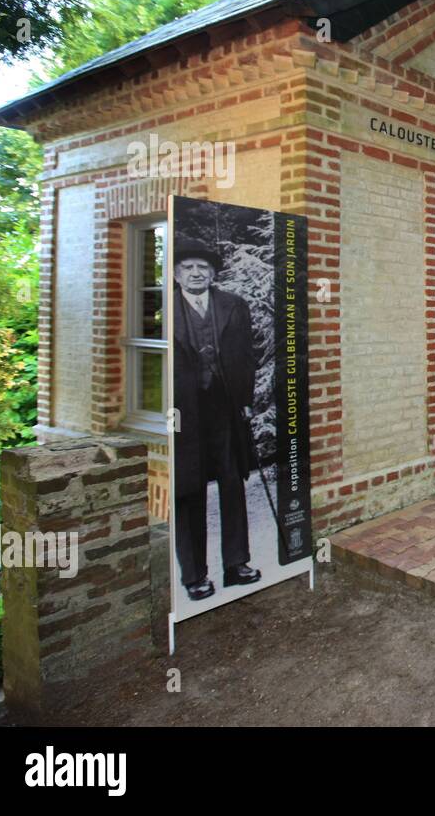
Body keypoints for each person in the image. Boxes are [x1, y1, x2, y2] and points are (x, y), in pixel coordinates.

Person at [172, 236, 262, 601]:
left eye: (202, 268)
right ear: (178, 275)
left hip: (225, 408)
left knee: (232, 482)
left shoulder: (232, 305)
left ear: (211, 274)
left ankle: (236, 564)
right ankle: (195, 575)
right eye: (188, 268)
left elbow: (247, 355)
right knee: (189, 490)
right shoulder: (164, 307)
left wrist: (245, 400)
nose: (196, 273)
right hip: (183, 413)